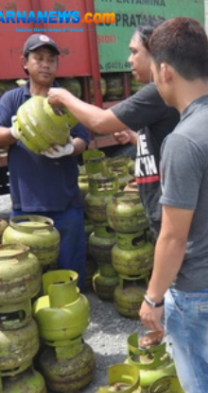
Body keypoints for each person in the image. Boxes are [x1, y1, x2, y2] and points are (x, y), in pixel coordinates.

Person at [138, 17, 208, 393]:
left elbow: (173, 236)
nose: (153, 80)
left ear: (165, 71)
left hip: (197, 285)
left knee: (202, 384)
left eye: (152, 72)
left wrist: (153, 298)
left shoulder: (183, 140)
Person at [47, 18, 179, 238]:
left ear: (155, 52)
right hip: (160, 209)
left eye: (134, 52)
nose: (129, 60)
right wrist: (132, 138)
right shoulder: (159, 93)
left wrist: (64, 96)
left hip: (166, 209)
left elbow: (100, 121)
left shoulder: (157, 92)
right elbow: (163, 146)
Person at [0, 34, 90, 290]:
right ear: (25, 63)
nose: (46, 65)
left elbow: (83, 139)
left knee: (71, 273)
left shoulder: (66, 99)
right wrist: (14, 132)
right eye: (39, 58)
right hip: (26, 204)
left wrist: (69, 149)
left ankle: (71, 318)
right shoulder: (12, 100)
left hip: (65, 202)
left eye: (51, 60)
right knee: (28, 274)